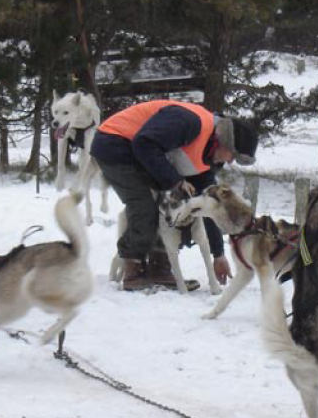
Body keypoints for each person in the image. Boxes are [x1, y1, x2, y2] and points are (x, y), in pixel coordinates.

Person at [90, 99, 259, 291]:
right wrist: (176, 181)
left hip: (137, 150)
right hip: (114, 142)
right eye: (233, 156)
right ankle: (133, 268)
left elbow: (208, 205)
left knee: (170, 207)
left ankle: (159, 267)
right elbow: (144, 143)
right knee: (145, 204)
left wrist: (218, 254)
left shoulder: (206, 161)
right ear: (225, 141)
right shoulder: (188, 122)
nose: (230, 163)